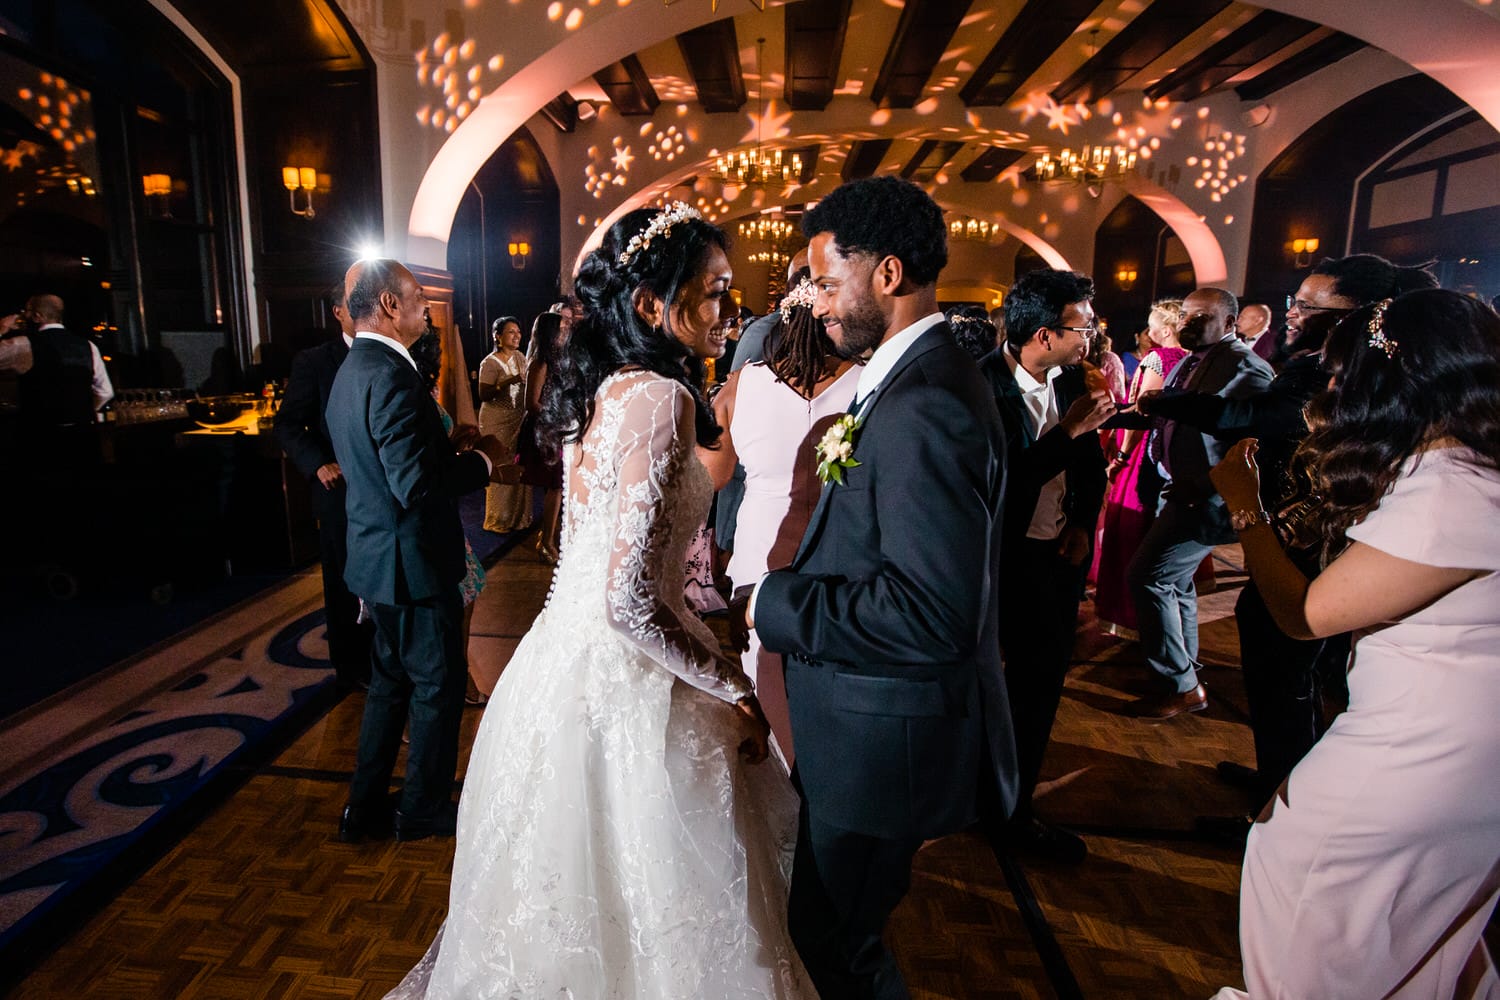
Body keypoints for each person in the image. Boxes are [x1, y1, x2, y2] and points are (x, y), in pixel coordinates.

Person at [386, 203, 812, 1000]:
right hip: (628, 675)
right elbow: (628, 603)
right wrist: (733, 685)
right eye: (714, 292)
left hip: (562, 662)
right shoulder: (659, 399)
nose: (729, 311)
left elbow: (611, 547)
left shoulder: (614, 389)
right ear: (654, 304)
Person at [743, 176, 1017, 999]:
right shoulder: (907, 378)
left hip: (882, 745)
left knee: (838, 951)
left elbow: (932, 613)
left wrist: (775, 603)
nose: (814, 302)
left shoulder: (926, 400)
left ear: (889, 275)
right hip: (866, 730)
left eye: (827, 282)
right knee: (832, 938)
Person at [1209, 289, 1500, 999]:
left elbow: (1307, 613)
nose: (1334, 390)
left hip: (1417, 760)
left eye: (1344, 375)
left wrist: (1245, 503)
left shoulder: (1452, 492)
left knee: (1314, 918)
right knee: (1415, 947)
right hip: (1465, 761)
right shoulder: (1476, 472)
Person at [1140, 254, 1437, 822]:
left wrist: (1244, 499)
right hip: (1290, 535)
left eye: (1307, 305)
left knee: (1288, 671)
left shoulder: (1342, 380)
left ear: (1357, 316)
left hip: (1311, 546)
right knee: (1277, 672)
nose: (1291, 314)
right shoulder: (1319, 366)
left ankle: (1282, 805)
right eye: (1294, 302)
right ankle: (1276, 777)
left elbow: (1252, 419)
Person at [326, 259, 509, 844]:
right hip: (414, 566)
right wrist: (482, 463)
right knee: (438, 686)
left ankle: (363, 806)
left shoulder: (352, 369)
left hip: (375, 561)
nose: (425, 312)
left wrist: (443, 448)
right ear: (387, 305)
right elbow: (415, 486)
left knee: (390, 684)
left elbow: (389, 468)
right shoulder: (393, 376)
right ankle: (423, 808)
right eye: (417, 300)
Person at [699, 268, 861, 767]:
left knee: (764, 684)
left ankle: (778, 791)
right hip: (836, 557)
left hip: (757, 560)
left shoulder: (740, 386)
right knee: (826, 698)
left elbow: (713, 477)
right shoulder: (866, 384)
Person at [979, 268, 1112, 865]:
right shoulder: (979, 388)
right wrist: (1068, 432)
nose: (1090, 336)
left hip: (1054, 556)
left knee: (1039, 687)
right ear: (1042, 333)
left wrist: (1084, 520)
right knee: (982, 686)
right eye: (1081, 326)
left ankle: (1014, 810)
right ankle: (969, 793)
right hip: (993, 559)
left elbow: (1089, 465)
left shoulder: (1070, 382)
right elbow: (996, 484)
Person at [1125, 288, 1272, 718]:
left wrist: (1207, 487)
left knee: (1147, 576)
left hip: (1207, 499)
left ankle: (1182, 684)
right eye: (1185, 315)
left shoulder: (1246, 366)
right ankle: (1185, 674)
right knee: (1177, 585)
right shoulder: (1193, 359)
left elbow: (1243, 433)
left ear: (1229, 323)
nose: (1187, 324)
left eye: (1201, 317)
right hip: (1180, 490)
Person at [272, 280, 373, 690]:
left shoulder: (388, 356)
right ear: (338, 312)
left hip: (383, 490)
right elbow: (288, 424)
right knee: (347, 582)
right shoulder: (315, 362)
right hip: (340, 492)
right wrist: (318, 463)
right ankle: (354, 668)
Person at [1092, 300, 1188, 637]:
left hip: (1145, 454)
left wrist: (1120, 456)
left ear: (1163, 330)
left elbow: (1141, 415)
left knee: (1129, 531)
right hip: (1176, 455)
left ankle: (1130, 616)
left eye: (1151, 326)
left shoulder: (1158, 359)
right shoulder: (1194, 359)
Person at [410, 321, 493, 705]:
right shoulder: (402, 393)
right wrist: (476, 461)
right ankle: (432, 692)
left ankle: (458, 672)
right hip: (421, 522)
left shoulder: (421, 391)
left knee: (468, 590)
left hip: (444, 518)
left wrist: (456, 443)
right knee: (436, 615)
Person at [0, 294, 113, 428]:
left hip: (39, 431)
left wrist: (1, 328)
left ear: (37, 316)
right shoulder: (88, 346)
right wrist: (79, 411)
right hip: (83, 431)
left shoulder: (22, 345)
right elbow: (105, 392)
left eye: (26, 312)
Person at [517, 311, 567, 562]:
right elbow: (531, 403)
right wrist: (558, 416)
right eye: (561, 328)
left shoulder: (557, 358)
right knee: (556, 486)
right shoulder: (540, 362)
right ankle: (546, 542)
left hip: (556, 428)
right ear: (551, 333)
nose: (565, 331)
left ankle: (547, 538)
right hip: (545, 430)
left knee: (559, 486)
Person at [477, 315, 530, 533]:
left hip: (517, 418)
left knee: (517, 463)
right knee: (500, 464)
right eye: (511, 332)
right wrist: (510, 381)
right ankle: (497, 519)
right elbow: (483, 394)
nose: (517, 335)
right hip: (496, 419)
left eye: (518, 331)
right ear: (498, 336)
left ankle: (519, 518)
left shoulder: (520, 357)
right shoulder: (490, 362)